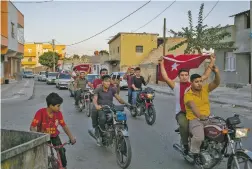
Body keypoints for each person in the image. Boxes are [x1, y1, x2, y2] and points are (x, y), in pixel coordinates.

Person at [158, 55, 215, 155]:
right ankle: (185, 145)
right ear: (179, 76)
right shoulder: (176, 86)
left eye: (186, 75)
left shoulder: (193, 83)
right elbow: (166, 77)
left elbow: (205, 75)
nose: (184, 77)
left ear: (188, 76)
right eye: (182, 75)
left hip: (195, 113)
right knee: (184, 125)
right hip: (182, 113)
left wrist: (212, 61)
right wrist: (161, 64)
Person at [30, 93, 76, 169]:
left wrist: (71, 138)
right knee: (42, 156)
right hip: (43, 137)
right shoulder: (40, 112)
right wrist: (37, 137)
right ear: (51, 105)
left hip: (54, 136)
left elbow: (64, 126)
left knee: (61, 152)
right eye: (58, 106)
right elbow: (32, 127)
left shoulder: (58, 113)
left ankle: (63, 166)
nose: (59, 108)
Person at [184, 66, 220, 159]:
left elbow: (216, 83)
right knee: (199, 137)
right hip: (195, 119)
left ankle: (216, 149)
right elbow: (193, 106)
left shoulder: (205, 89)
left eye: (200, 81)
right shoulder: (188, 95)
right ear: (191, 83)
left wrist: (216, 73)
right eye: (196, 82)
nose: (199, 84)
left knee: (222, 131)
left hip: (208, 118)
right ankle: (193, 152)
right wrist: (200, 116)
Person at [89, 75, 127, 145]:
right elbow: (95, 99)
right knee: (102, 118)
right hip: (102, 108)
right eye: (106, 82)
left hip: (110, 107)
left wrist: (127, 104)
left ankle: (119, 130)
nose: (108, 83)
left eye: (109, 81)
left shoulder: (112, 89)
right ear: (103, 82)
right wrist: (97, 105)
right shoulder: (98, 89)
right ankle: (102, 133)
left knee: (120, 117)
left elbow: (118, 98)